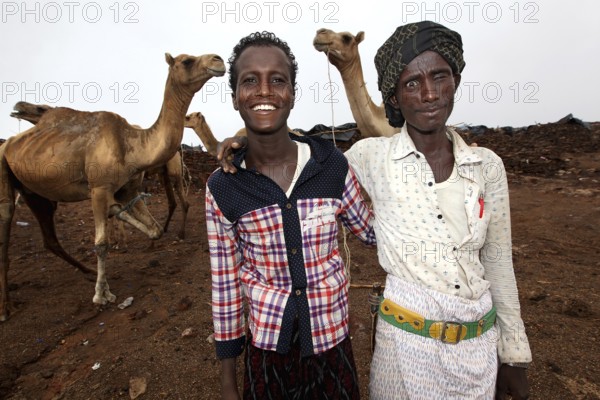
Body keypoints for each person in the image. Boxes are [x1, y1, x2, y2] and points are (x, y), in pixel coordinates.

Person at [217, 21, 532, 400]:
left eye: (440, 77)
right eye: (412, 83)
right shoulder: (369, 156)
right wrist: (246, 141)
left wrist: (513, 353)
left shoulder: (487, 166)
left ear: (456, 81)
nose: (429, 94)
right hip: (404, 346)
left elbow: (498, 262)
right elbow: (305, 165)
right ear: (395, 95)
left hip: (477, 343)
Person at [205, 31, 376, 399]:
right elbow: (225, 287)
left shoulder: (330, 166)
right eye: (250, 80)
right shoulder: (224, 187)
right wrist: (227, 379)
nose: (264, 91)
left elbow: (372, 233)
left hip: (332, 345)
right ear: (235, 97)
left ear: (292, 94)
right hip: (267, 352)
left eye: (277, 80)